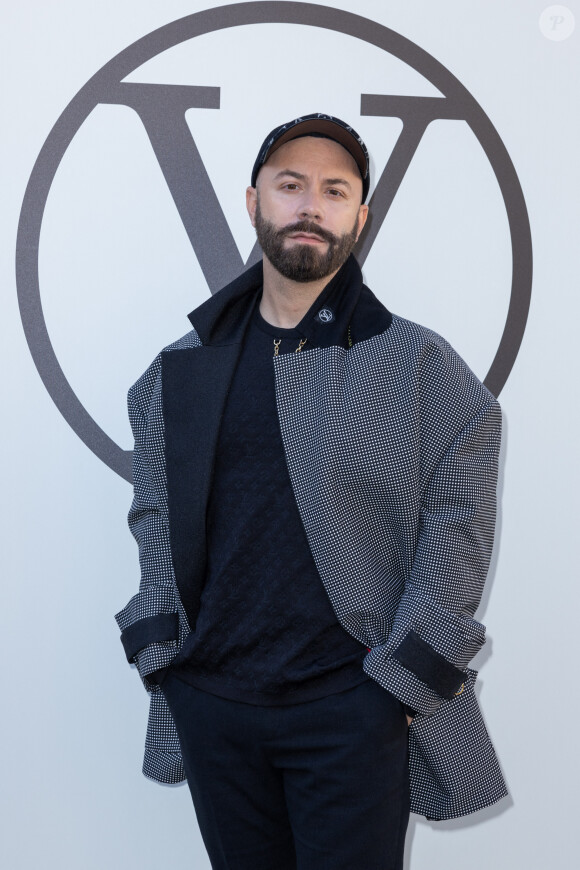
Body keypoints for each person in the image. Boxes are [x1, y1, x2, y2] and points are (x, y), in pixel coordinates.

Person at [115, 113, 507, 869]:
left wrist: (394, 688)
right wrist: (166, 656)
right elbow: (154, 513)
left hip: (352, 707)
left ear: (359, 216)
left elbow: (458, 524)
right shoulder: (178, 369)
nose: (309, 206)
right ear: (254, 201)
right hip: (215, 703)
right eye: (290, 185)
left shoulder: (419, 364)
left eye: (334, 191)